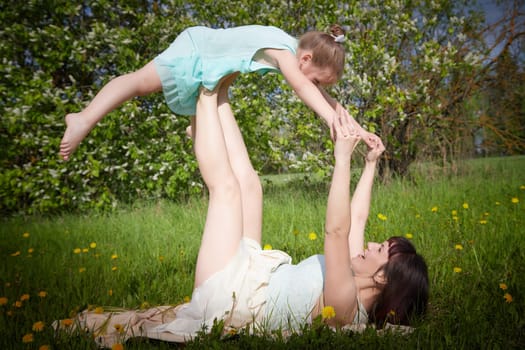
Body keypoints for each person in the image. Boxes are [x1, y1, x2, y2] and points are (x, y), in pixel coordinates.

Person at [54, 76, 429, 347]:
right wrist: (370, 164)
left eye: (382, 250)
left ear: (382, 280)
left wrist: (342, 159)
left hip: (228, 295)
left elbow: (336, 230)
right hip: (255, 275)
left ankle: (201, 90)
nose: (374, 244)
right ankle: (219, 95)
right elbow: (357, 218)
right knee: (252, 186)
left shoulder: (345, 304)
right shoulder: (351, 270)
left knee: (228, 192)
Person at [59, 24, 377, 161]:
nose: (316, 87)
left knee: (215, 100)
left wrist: (357, 129)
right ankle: (84, 118)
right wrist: (329, 121)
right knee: (140, 83)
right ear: (305, 59)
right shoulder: (284, 52)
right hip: (195, 50)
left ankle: (197, 127)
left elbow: (323, 97)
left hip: (211, 67)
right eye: (318, 80)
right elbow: (301, 87)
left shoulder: (289, 48)